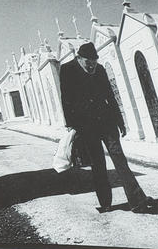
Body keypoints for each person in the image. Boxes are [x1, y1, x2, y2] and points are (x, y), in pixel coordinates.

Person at [58, 42, 150, 213]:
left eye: (94, 62)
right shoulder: (67, 69)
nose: (91, 66)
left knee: (119, 158)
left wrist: (120, 121)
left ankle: (137, 200)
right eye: (88, 62)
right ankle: (105, 203)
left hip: (107, 121)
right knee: (98, 163)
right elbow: (66, 98)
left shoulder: (100, 69)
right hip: (86, 126)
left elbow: (110, 95)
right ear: (79, 58)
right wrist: (71, 125)